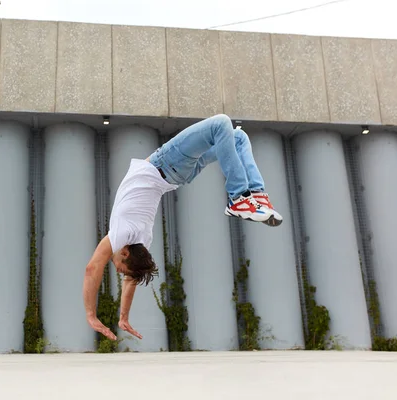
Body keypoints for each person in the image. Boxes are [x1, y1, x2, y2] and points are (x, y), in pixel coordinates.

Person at [82, 114, 283, 341]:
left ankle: (255, 193)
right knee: (221, 124)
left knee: (238, 137)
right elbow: (94, 269)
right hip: (168, 163)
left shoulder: (143, 240)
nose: (114, 266)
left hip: (180, 176)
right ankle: (240, 196)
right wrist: (91, 315)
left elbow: (130, 280)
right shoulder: (123, 235)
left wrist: (124, 317)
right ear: (126, 253)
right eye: (119, 268)